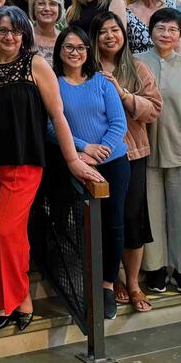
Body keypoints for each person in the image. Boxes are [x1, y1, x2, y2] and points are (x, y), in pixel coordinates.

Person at [0, 6, 102, 330]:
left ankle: (21, 296)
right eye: (2, 30)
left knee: (6, 230)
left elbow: (58, 116)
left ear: (24, 34)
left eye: (15, 31)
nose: (8, 36)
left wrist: (73, 159)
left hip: (25, 161)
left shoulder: (36, 65)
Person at [52, 27, 128, 319]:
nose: (75, 52)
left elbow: (118, 123)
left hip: (113, 162)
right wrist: (83, 148)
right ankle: (80, 282)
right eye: (69, 47)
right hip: (76, 161)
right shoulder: (55, 84)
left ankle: (107, 284)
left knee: (113, 224)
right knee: (78, 226)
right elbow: (50, 126)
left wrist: (101, 151)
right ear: (60, 51)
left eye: (81, 47)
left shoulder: (102, 82)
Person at [94, 12, 161, 314]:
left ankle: (133, 282)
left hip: (132, 154)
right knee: (105, 222)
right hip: (95, 157)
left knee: (132, 220)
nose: (110, 36)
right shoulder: (87, 67)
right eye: (103, 32)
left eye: (115, 30)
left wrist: (123, 94)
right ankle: (113, 278)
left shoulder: (137, 68)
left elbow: (154, 109)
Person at [137, 8, 181, 296]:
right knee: (150, 210)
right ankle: (154, 270)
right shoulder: (136, 62)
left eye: (173, 30)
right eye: (161, 28)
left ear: (180, 35)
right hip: (146, 146)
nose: (166, 34)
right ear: (151, 31)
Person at [29, 0, 67, 66]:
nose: (47, 8)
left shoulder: (65, 39)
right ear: (33, 8)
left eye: (53, 4)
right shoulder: (24, 37)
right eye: (41, 3)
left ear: (59, 9)